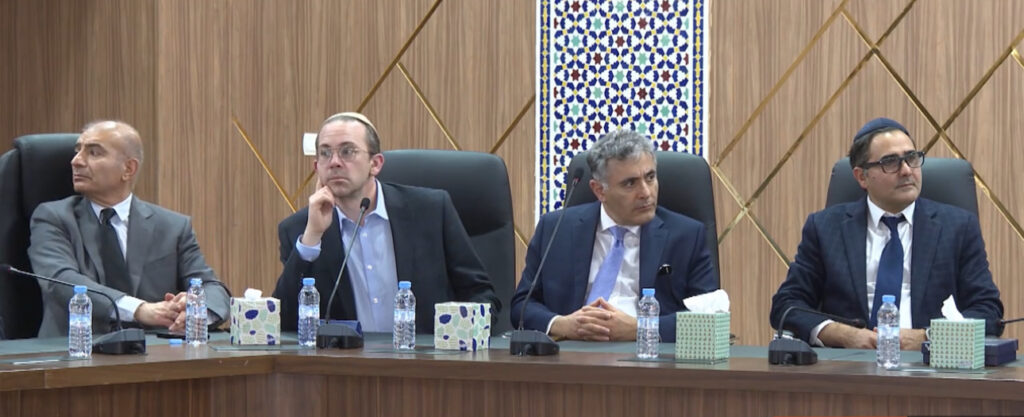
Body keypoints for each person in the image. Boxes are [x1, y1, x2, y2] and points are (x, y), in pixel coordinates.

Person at [770, 117, 1003, 350]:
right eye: (890, 162)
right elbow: (787, 305)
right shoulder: (825, 228)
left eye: (911, 158)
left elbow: (988, 310)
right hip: (848, 364)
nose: (906, 170)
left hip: (929, 365)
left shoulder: (958, 227)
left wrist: (928, 337)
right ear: (862, 177)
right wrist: (843, 335)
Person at [272, 112, 500, 333]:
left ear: (375, 164)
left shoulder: (431, 211)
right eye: (325, 153)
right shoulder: (300, 230)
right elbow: (285, 323)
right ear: (317, 167)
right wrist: (312, 238)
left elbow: (481, 295)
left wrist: (456, 340)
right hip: (344, 358)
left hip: (426, 355)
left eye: (347, 151)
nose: (334, 162)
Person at [510, 129, 718, 342]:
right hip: (571, 351)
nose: (646, 192)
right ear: (599, 190)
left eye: (650, 177)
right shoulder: (556, 229)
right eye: (630, 183)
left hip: (645, 354)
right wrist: (563, 325)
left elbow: (709, 317)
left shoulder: (687, 236)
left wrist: (640, 328)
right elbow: (522, 306)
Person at [29, 121, 230, 337]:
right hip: (75, 347)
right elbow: (60, 280)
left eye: (94, 153)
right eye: (77, 151)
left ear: (128, 169)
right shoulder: (54, 218)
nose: (76, 161)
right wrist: (139, 309)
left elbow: (211, 287)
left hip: (152, 351)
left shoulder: (172, 226)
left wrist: (196, 312)